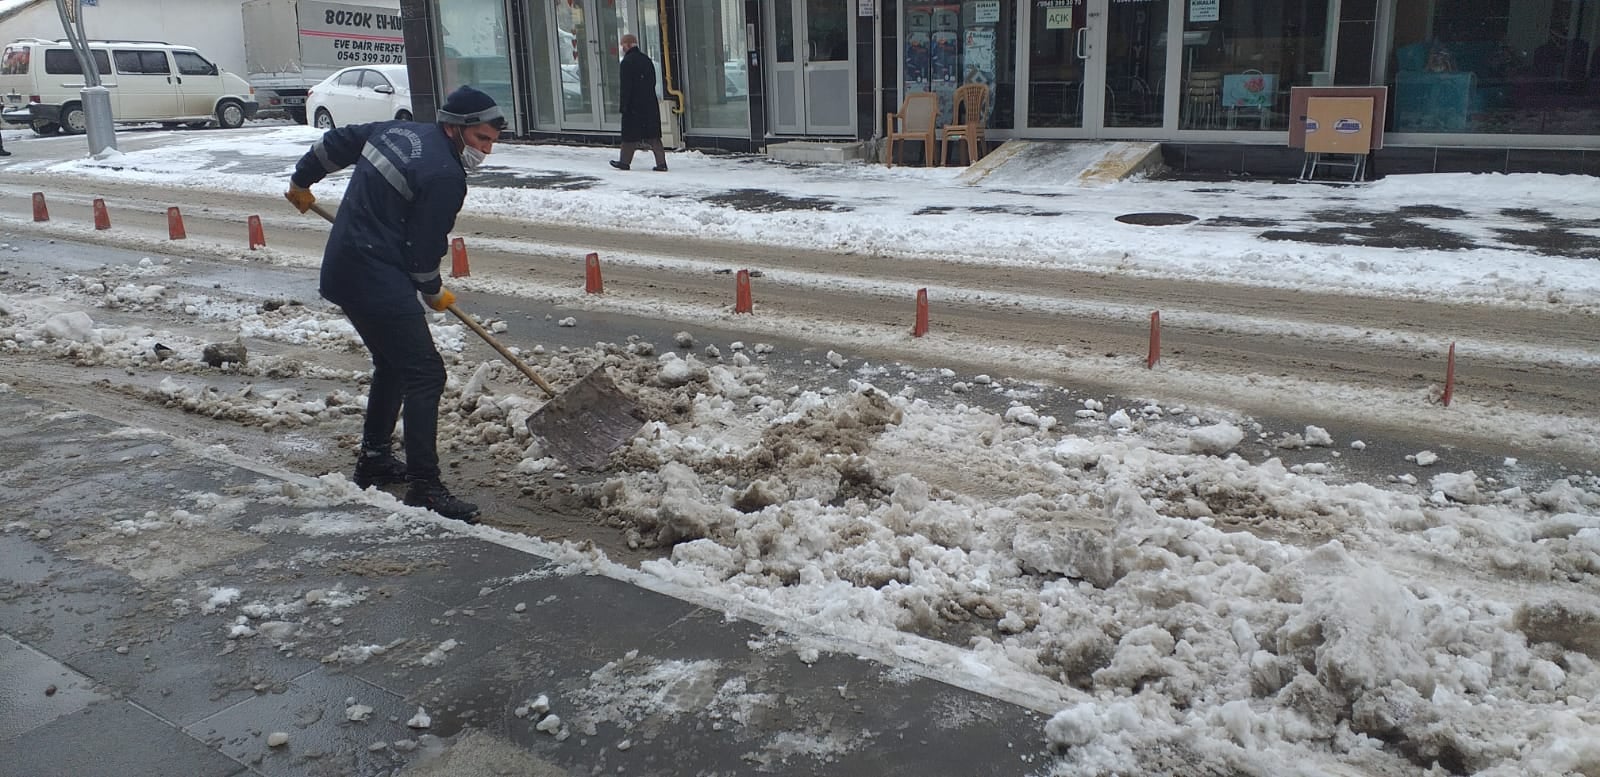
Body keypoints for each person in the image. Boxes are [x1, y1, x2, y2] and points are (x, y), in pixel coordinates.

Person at [283, 84, 505, 523]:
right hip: (373, 275)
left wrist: (301, 179)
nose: (487, 152)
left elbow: (335, 144)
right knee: (425, 373)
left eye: (492, 143)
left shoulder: (395, 131)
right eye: (481, 140)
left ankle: (375, 457)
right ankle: (424, 485)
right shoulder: (445, 175)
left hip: (345, 266)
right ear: (455, 129)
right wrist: (431, 288)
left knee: (394, 364)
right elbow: (424, 247)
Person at [610, 33, 668, 172]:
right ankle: (661, 163)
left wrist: (624, 106)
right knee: (653, 136)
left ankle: (624, 162)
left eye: (623, 45)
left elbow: (626, 87)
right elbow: (652, 82)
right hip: (649, 103)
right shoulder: (646, 60)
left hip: (633, 105)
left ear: (628, 45)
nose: (622, 48)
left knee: (629, 137)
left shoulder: (626, 62)